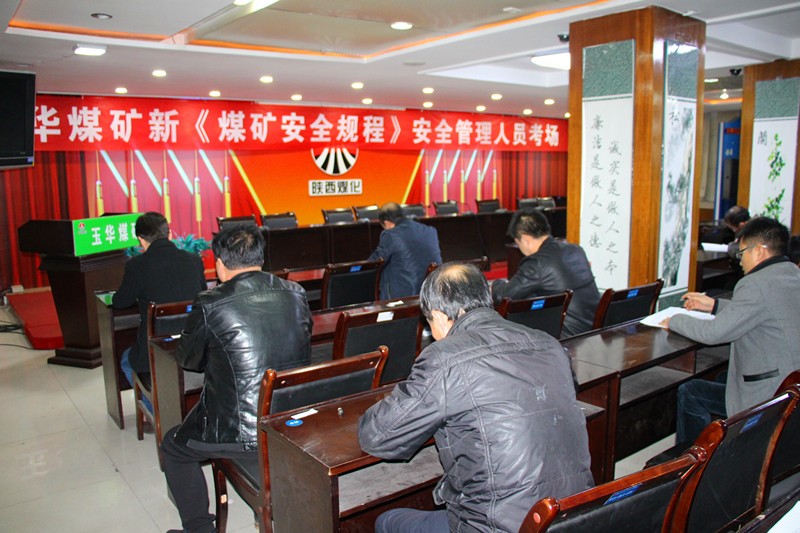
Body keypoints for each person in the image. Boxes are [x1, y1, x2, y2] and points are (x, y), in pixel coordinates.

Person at [358, 263, 593, 533]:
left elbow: (378, 436)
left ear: (439, 316)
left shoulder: (445, 357)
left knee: (387, 521)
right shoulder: (549, 343)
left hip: (497, 525)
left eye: (429, 324)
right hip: (570, 515)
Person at [161, 225, 313, 533]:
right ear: (260, 258)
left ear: (219, 263)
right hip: (289, 419)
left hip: (239, 432)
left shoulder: (210, 301)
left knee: (173, 447)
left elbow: (188, 359)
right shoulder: (295, 292)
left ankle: (199, 529)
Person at [663, 216, 800, 444]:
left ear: (759, 251)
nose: (740, 260)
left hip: (769, 394)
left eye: (742, 253)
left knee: (691, 392)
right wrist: (714, 305)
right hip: (791, 382)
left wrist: (674, 319)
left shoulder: (754, 283)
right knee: (722, 377)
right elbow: (763, 311)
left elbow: (714, 333)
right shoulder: (792, 273)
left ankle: (695, 459)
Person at [112, 211, 206, 408]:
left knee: (126, 360)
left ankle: (158, 413)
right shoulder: (194, 260)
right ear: (169, 234)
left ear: (140, 240)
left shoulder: (137, 265)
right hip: (193, 347)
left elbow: (120, 302)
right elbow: (202, 296)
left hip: (156, 351)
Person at [492, 208, 600, 337]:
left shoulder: (537, 262)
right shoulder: (576, 250)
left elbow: (503, 295)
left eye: (517, 243)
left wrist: (497, 283)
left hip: (567, 335)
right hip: (594, 329)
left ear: (525, 238)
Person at [368, 202, 442, 300]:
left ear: (387, 223)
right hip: (431, 294)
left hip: (402, 298)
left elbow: (373, 263)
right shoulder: (430, 230)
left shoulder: (390, 235)